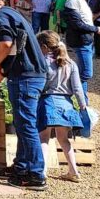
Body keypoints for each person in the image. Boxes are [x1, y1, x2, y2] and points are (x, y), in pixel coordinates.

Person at [0, 0, 48, 190]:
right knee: (22, 124)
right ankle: (21, 168)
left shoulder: (0, 17)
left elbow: (5, 44)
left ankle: (36, 174)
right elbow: (14, 51)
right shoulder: (11, 13)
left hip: (25, 77)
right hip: (29, 74)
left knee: (26, 125)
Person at [36, 31, 86, 183]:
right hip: (66, 104)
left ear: (44, 46)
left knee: (43, 138)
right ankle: (73, 170)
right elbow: (77, 88)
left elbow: (41, 84)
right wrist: (83, 105)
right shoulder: (71, 63)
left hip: (48, 102)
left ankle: (42, 171)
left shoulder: (44, 62)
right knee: (64, 140)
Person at [62, 0, 100, 132]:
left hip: (86, 40)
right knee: (85, 74)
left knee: (84, 74)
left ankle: (84, 105)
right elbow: (77, 24)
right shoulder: (72, 2)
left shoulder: (81, 0)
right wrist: (97, 29)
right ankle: (81, 107)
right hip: (81, 41)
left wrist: (97, 30)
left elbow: (85, 21)